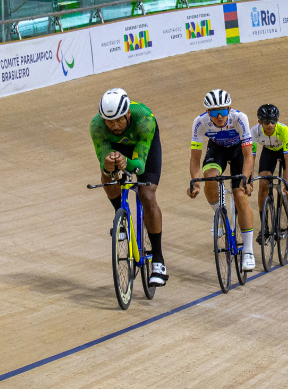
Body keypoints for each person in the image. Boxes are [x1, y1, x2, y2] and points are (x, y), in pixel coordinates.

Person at [90, 88, 168, 286]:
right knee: (106, 175)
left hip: (143, 150)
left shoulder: (145, 118)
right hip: (119, 149)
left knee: (147, 195)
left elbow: (140, 165)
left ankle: (158, 259)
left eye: (119, 120)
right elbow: (103, 160)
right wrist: (109, 165)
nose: (114, 126)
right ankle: (120, 217)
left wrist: (128, 163)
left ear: (128, 114)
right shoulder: (97, 126)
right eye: (109, 122)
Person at [187, 90, 256, 272]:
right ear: (207, 112)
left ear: (230, 109)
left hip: (238, 150)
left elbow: (248, 156)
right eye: (214, 112)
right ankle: (220, 214)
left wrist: (246, 179)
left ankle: (248, 251)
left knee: (240, 196)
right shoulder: (199, 123)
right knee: (209, 177)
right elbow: (195, 159)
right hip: (217, 148)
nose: (219, 116)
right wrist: (195, 182)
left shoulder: (240, 118)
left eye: (223, 112)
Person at [250, 104, 288, 233]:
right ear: (260, 122)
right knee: (263, 184)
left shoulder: (284, 130)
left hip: (286, 152)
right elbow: (251, 157)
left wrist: (287, 183)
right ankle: (264, 224)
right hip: (269, 151)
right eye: (266, 121)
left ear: (277, 120)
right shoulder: (254, 131)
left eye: (273, 121)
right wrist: (248, 180)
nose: (270, 124)